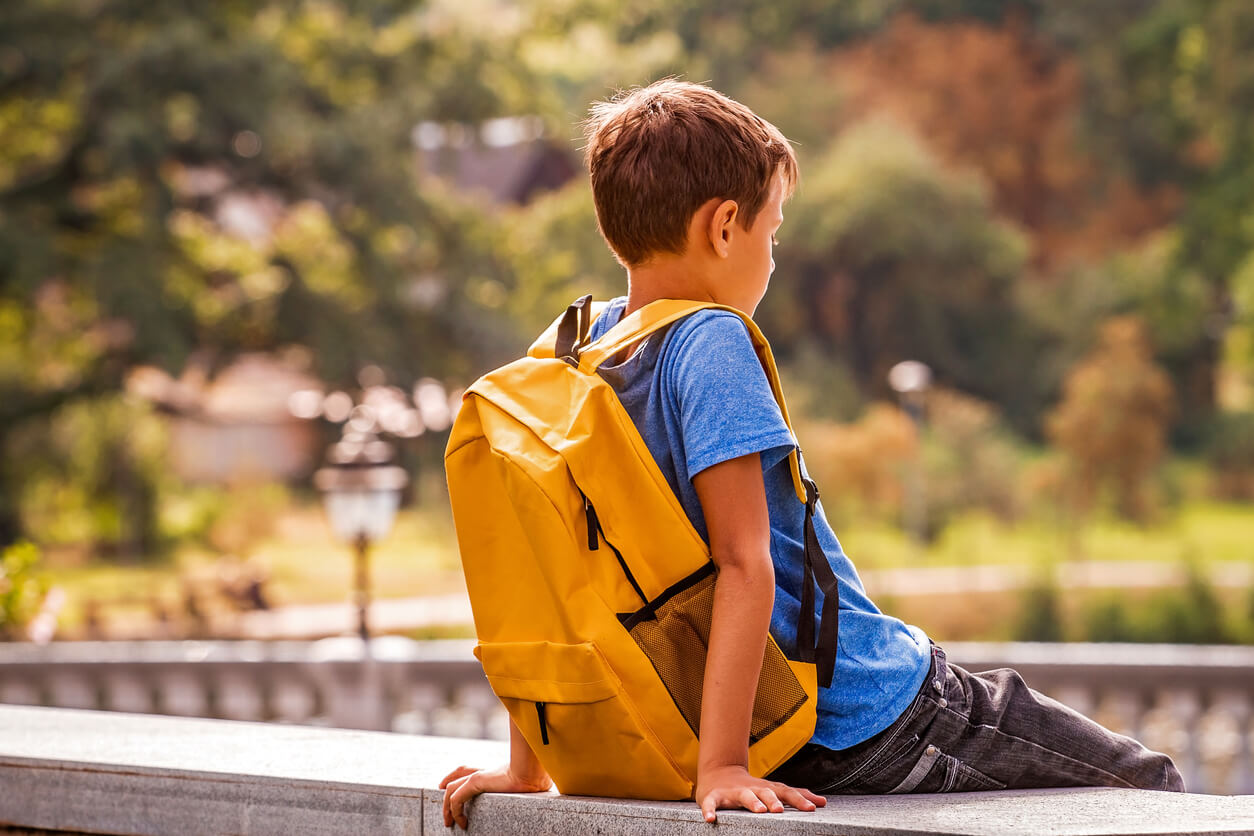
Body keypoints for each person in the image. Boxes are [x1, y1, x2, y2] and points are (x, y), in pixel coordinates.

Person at [440, 79, 1183, 829]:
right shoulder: (708, 339)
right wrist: (725, 767)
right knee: (1147, 787)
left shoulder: (573, 348)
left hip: (730, 731)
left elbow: (547, 577)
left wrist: (530, 764)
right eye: (773, 231)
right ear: (724, 226)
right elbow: (743, 562)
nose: (772, 257)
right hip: (865, 714)